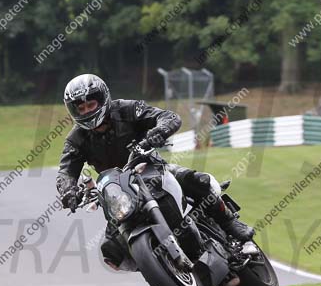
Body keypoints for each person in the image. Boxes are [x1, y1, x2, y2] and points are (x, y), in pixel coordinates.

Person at [55, 74, 255, 270]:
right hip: (117, 190)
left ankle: (230, 225)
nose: (87, 110)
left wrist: (158, 131)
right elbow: (66, 170)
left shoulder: (127, 109)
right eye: (81, 107)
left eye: (91, 104)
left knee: (197, 181)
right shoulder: (76, 139)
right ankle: (160, 265)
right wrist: (68, 191)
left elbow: (168, 117)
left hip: (150, 168)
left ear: (102, 100)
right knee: (111, 252)